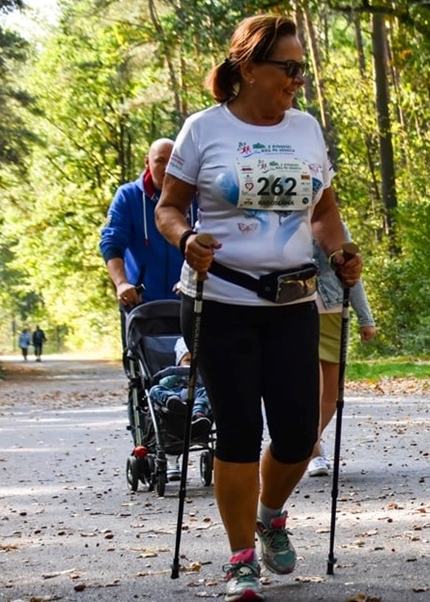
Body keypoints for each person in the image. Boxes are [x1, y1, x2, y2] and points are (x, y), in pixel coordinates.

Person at [154, 15, 362, 602]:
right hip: (219, 301)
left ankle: (271, 514)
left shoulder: (306, 131)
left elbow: (323, 213)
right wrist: (184, 240)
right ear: (248, 70)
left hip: (293, 301)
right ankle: (240, 558)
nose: (298, 79)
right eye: (288, 68)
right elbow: (169, 209)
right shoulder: (203, 130)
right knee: (239, 430)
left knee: (298, 433)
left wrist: (341, 250)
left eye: (302, 68)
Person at [99, 138, 191, 346]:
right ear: (147, 162)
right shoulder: (128, 196)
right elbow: (111, 241)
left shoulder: (195, 196)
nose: (167, 167)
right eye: (160, 161)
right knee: (140, 368)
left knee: (194, 370)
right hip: (142, 303)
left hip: (187, 301)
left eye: (173, 161)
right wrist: (122, 284)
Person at [306, 224, 376, 477]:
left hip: (334, 310)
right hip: (299, 310)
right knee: (315, 386)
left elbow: (352, 275)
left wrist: (366, 319)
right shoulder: (287, 220)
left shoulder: (336, 227)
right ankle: (313, 451)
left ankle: (308, 440)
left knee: (332, 393)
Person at [147, 338, 213, 481]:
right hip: (174, 401)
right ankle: (171, 402)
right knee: (155, 389)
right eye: (187, 361)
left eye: (195, 361)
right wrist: (177, 373)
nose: (191, 365)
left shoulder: (202, 374)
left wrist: (199, 375)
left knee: (206, 393)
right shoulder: (173, 373)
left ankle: (199, 415)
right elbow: (161, 382)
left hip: (195, 398)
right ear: (179, 362)